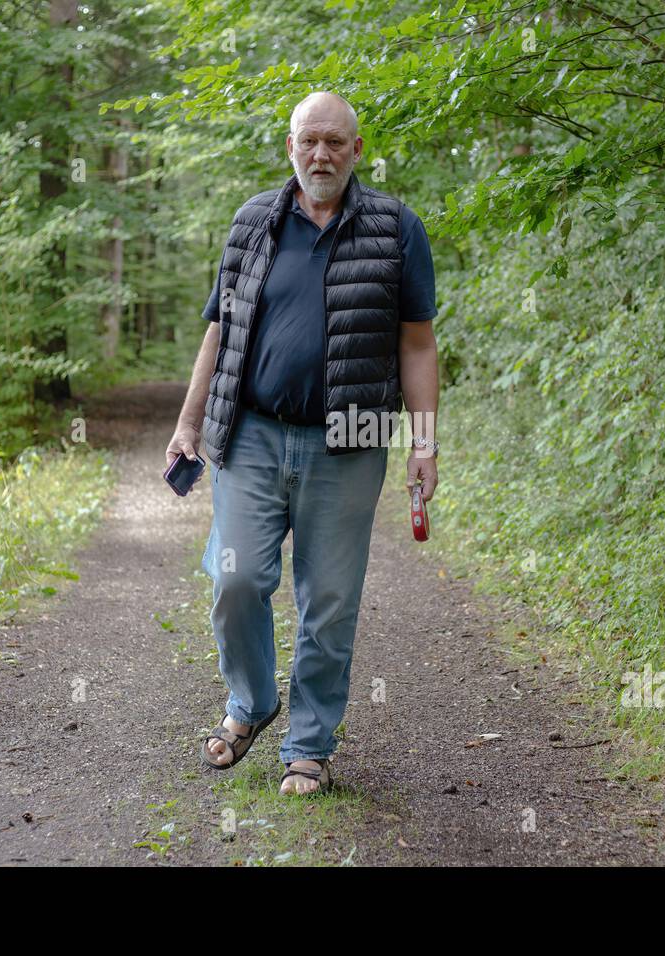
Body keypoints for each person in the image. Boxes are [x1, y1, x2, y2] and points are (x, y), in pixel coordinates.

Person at [165, 90, 440, 795]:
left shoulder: (396, 228)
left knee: (329, 601)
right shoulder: (253, 222)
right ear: (289, 145)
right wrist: (189, 423)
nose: (321, 153)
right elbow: (220, 330)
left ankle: (309, 745)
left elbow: (416, 344)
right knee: (236, 580)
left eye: (335, 142)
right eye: (308, 140)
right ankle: (251, 704)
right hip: (251, 433)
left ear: (356, 149)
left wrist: (425, 442)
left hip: (350, 441)